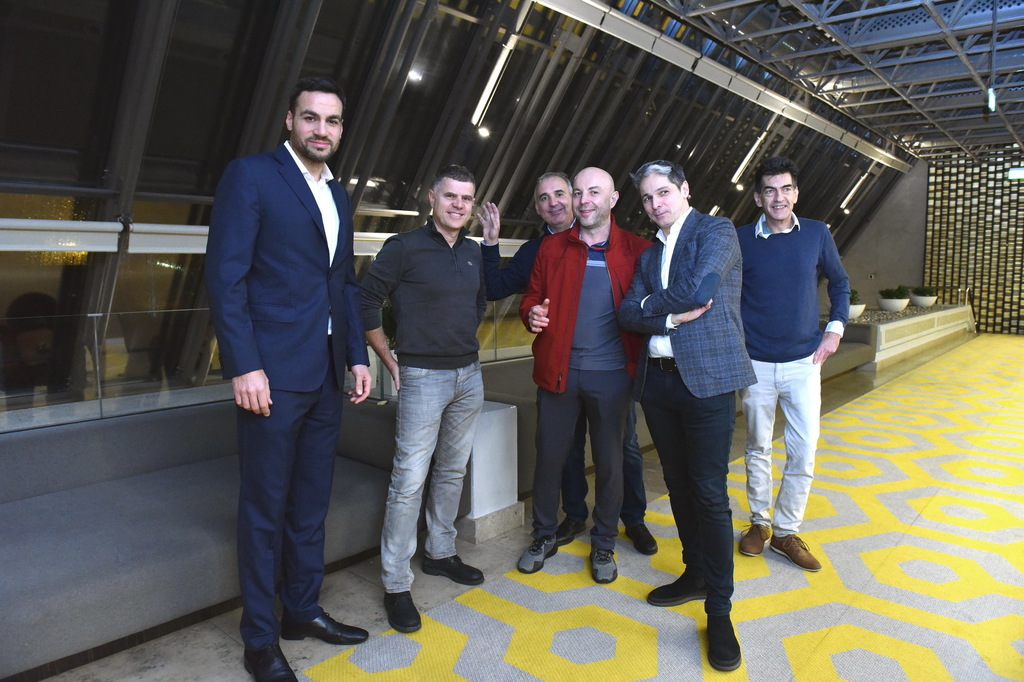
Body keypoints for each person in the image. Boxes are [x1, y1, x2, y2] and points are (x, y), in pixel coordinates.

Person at [206, 76, 371, 682]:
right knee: (264, 509)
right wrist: (244, 364)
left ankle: (301, 609)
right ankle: (259, 638)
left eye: (332, 120)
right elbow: (226, 276)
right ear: (289, 120)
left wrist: (356, 355)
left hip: (326, 374)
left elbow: (343, 283)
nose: (321, 130)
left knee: (310, 504)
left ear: (341, 129)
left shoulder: (339, 195)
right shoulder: (251, 176)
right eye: (311, 118)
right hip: (271, 374)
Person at [618, 159, 755, 672]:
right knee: (676, 484)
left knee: (709, 494)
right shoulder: (649, 253)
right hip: (659, 384)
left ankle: (719, 610)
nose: (655, 204)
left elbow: (702, 290)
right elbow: (627, 313)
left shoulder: (715, 231)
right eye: (647, 198)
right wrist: (668, 314)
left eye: (662, 193)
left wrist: (650, 306)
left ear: (684, 190)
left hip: (708, 382)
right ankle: (695, 573)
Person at [481, 173, 657, 555]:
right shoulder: (545, 248)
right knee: (559, 454)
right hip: (560, 372)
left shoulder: (637, 250)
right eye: (578, 192)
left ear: (612, 198)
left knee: (619, 454)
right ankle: (566, 521)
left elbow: (654, 303)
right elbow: (524, 297)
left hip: (614, 375)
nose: (566, 201)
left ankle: (626, 525)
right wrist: (530, 313)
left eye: (567, 193)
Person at [361, 164, 488, 634]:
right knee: (409, 480)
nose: (459, 205)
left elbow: (477, 303)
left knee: (452, 470)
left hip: (469, 375)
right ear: (431, 198)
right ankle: (396, 583)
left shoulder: (473, 251)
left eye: (466, 198)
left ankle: (440, 552)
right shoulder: (404, 247)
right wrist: (389, 359)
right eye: (450, 196)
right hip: (421, 377)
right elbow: (366, 300)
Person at [736, 156, 850, 571]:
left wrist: (835, 329)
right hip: (755, 364)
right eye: (769, 190)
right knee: (758, 447)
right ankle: (760, 523)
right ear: (758, 198)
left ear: (796, 193)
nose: (778, 197)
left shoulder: (817, 233)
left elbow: (840, 282)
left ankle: (786, 532)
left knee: (803, 450)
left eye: (785, 189)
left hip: (804, 362)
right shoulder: (741, 238)